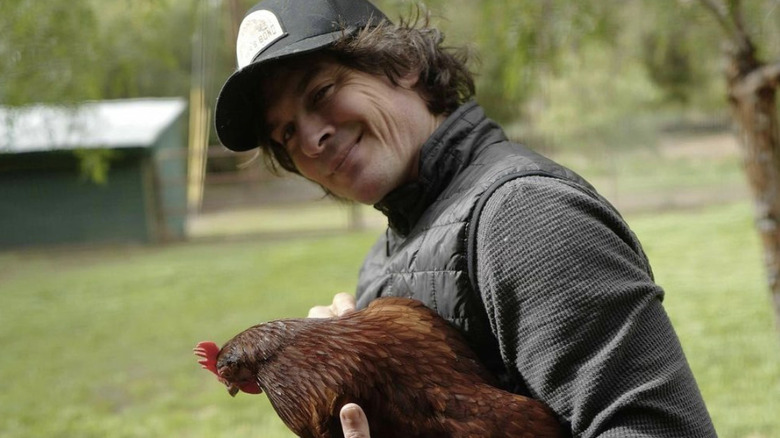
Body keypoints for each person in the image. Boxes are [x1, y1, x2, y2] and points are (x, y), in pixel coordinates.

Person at [214, 0, 718, 436]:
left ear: (404, 63)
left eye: (321, 92)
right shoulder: (384, 261)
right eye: (285, 135)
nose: (309, 139)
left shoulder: (524, 215)